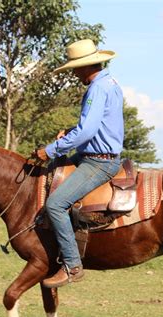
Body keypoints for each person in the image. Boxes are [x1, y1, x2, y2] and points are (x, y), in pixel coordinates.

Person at [34, 39, 124, 289]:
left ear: (86, 67)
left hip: (98, 162)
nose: (74, 73)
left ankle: (72, 265)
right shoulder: (110, 83)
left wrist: (50, 150)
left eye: (75, 68)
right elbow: (98, 127)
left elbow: (87, 132)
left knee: (55, 204)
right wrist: (73, 131)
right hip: (92, 155)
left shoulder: (97, 88)